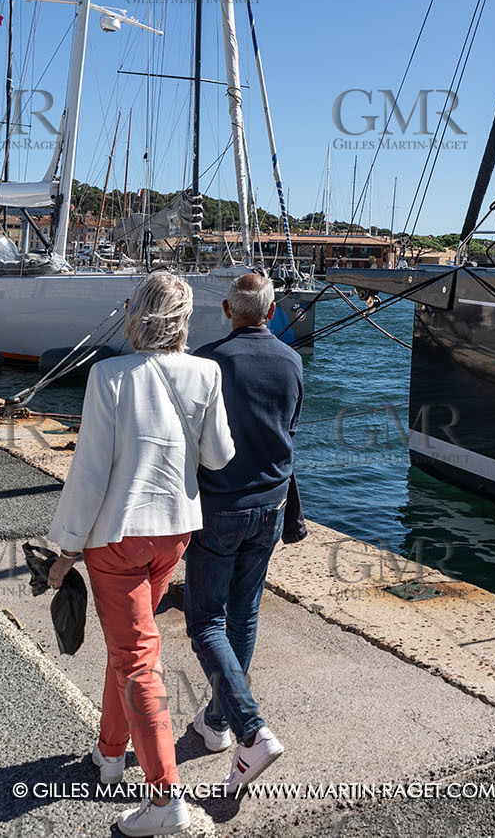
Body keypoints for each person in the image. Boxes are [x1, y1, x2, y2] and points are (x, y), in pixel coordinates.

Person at [46, 271, 235, 836]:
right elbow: (219, 456)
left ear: (136, 315)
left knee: (135, 658)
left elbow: (90, 472)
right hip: (174, 531)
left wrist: (65, 549)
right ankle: (110, 752)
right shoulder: (206, 372)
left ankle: (165, 797)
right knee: (131, 649)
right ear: (184, 318)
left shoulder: (109, 375)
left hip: (117, 536)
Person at [185, 274, 301, 794]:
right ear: (272, 311)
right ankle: (217, 721)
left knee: (206, 620)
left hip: (220, 508)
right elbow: (289, 428)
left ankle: (251, 729)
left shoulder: (207, 362)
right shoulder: (292, 361)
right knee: (243, 613)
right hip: (271, 505)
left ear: (228, 310)